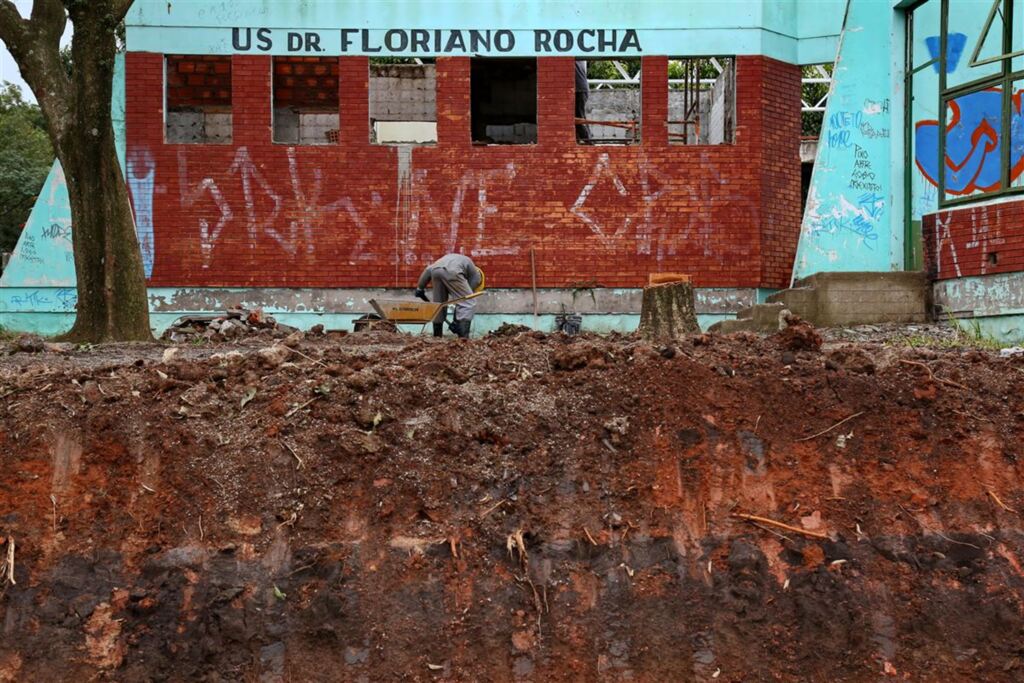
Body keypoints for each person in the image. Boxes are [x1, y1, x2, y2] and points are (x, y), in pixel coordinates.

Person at [414, 253, 485, 339]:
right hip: (454, 271)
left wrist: (420, 288)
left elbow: (428, 270)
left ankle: (437, 337)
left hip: (435, 272)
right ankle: (463, 339)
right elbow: (464, 299)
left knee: (439, 305)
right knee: (468, 302)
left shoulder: (452, 259)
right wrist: (457, 321)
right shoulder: (476, 276)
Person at [575, 60, 591, 142]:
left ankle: (588, 141)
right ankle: (585, 140)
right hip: (580, 88)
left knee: (578, 117)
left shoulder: (575, 57)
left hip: (579, 89)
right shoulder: (580, 58)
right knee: (579, 116)